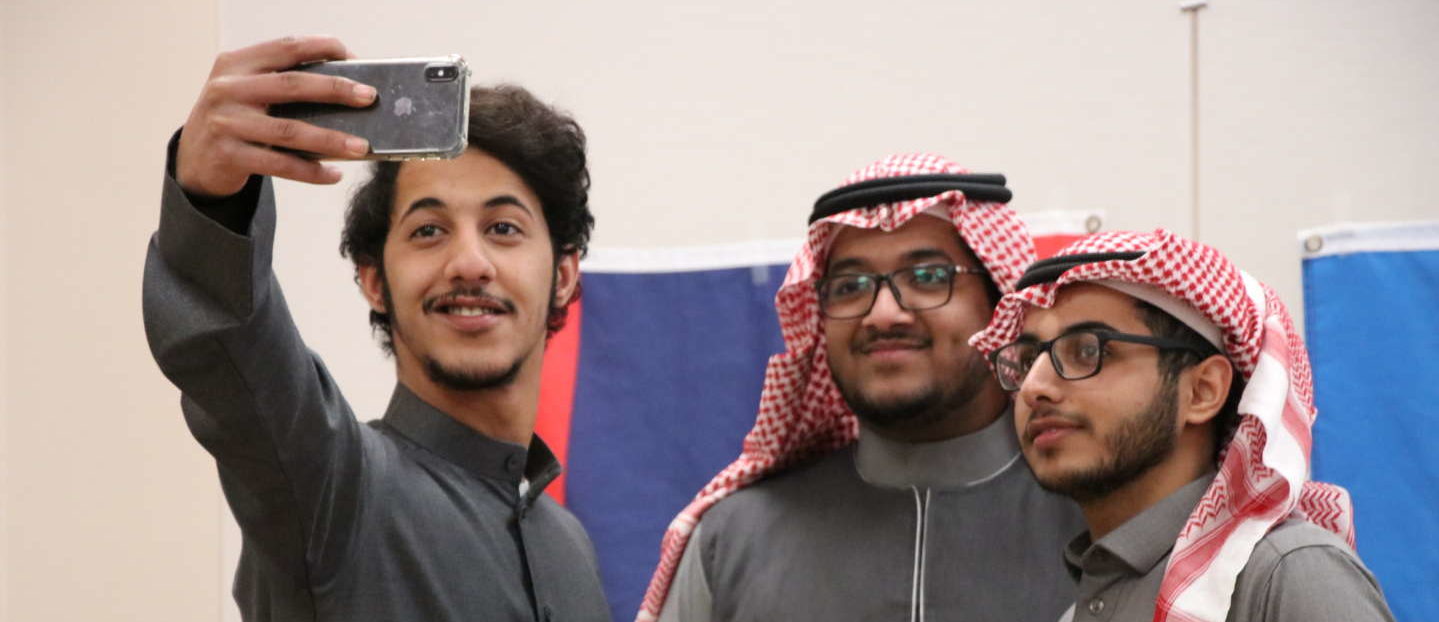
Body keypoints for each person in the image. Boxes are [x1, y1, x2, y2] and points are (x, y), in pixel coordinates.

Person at [143, 35, 610, 621]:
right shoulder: (331, 487)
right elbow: (234, 354)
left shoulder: (571, 549)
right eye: (428, 231)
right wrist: (210, 197)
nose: (469, 262)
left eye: (504, 229)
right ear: (374, 281)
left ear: (563, 276)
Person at [641, 154, 1085, 622]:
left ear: (1001, 308)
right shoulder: (733, 540)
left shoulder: (1099, 518)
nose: (884, 314)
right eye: (850, 286)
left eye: (928, 277)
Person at [970, 230, 1395, 622]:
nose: (1033, 388)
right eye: (1027, 361)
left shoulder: (1286, 575)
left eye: (1086, 350)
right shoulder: (1082, 605)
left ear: (1203, 391)